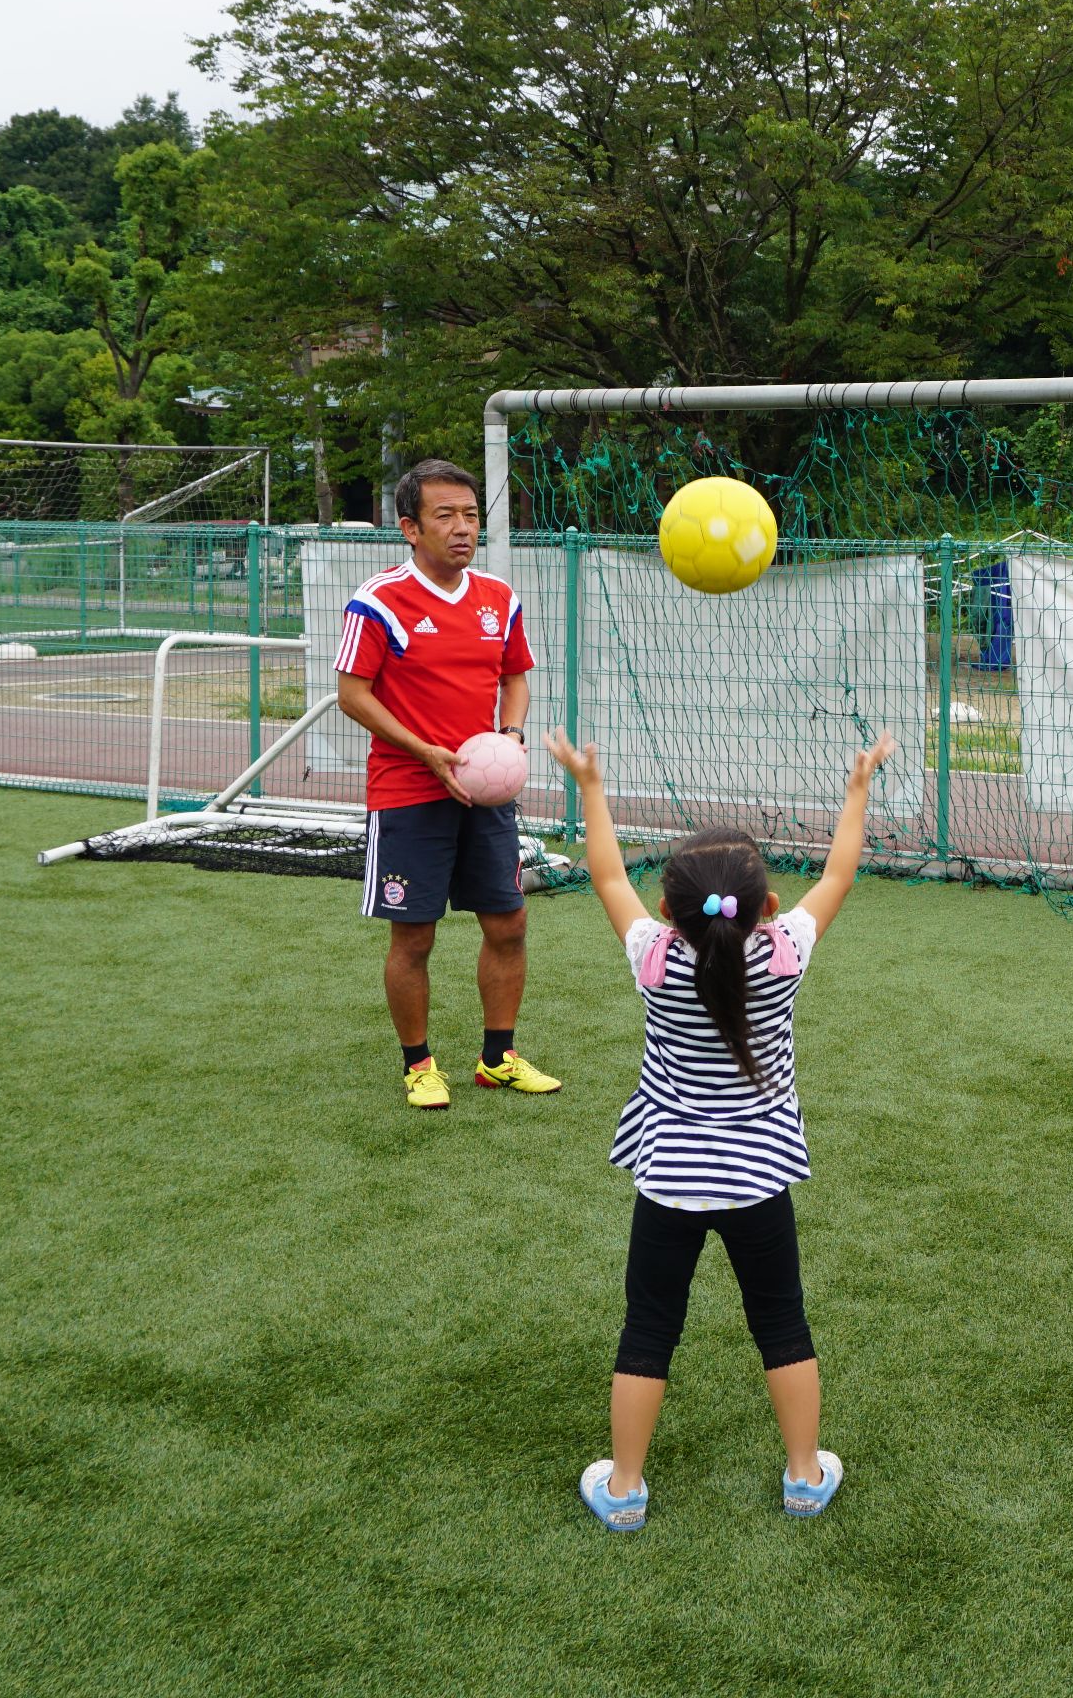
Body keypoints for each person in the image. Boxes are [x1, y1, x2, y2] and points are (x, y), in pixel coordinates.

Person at [546, 722, 895, 1532]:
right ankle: (805, 1477)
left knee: (649, 1327)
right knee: (782, 1321)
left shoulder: (653, 956)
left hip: (667, 1184)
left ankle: (625, 1489)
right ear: (766, 908)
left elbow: (603, 872)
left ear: (667, 912)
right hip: (758, 1182)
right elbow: (841, 872)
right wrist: (857, 788)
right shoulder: (783, 953)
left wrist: (590, 787)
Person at [333, 459, 560, 1110]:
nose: (463, 529)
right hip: (408, 790)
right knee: (415, 935)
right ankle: (419, 1064)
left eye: (471, 516)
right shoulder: (378, 602)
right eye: (445, 516)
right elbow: (352, 694)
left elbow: (515, 676)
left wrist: (509, 738)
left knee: (509, 923)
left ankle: (499, 1058)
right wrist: (425, 752)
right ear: (410, 527)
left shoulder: (498, 598)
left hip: (485, 794)